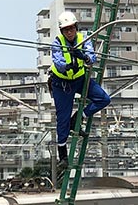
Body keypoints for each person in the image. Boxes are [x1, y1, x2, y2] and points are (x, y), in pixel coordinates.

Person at [50, 11, 111, 169]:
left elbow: (92, 57)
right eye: (66, 29)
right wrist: (67, 66)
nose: (69, 32)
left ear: (76, 27)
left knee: (104, 99)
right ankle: (63, 155)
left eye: (71, 28)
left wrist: (83, 57)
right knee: (62, 118)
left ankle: (78, 117)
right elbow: (58, 61)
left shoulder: (83, 39)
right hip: (62, 84)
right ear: (62, 31)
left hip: (80, 80)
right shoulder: (57, 42)